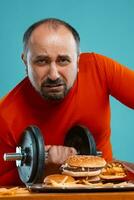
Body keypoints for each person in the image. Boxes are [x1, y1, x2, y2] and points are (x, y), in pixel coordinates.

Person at [0, 18, 134, 186]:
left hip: (104, 186)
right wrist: (46, 169)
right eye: (42, 61)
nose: (54, 74)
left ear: (78, 61)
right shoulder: (5, 115)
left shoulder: (99, 70)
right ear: (25, 62)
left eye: (63, 60)